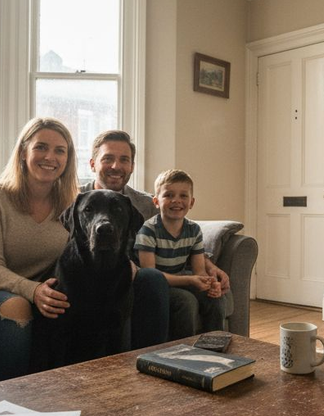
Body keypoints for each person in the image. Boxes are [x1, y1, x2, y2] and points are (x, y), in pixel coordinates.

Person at [80, 130, 232, 341]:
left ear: (132, 166)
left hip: (149, 279)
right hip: (113, 278)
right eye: (108, 159)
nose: (116, 166)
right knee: (180, 298)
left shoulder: (145, 204)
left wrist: (211, 268)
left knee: (216, 296)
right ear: (93, 164)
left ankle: (219, 351)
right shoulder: (77, 200)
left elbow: (174, 234)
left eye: (124, 160)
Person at [0, 117, 77, 381]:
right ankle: (5, 407)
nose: (50, 157)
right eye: (41, 147)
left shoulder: (72, 204)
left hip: (38, 292)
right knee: (16, 306)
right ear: (24, 152)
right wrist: (32, 290)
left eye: (60, 150)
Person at [136, 169, 227, 334]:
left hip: (183, 280)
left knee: (215, 299)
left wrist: (210, 284)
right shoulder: (148, 231)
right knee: (187, 302)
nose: (176, 200)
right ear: (156, 201)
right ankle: (181, 353)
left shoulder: (194, 230)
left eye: (183, 196)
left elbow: (199, 271)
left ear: (191, 202)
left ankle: (215, 347)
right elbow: (150, 275)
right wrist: (190, 280)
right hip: (158, 286)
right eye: (169, 195)